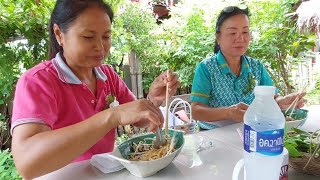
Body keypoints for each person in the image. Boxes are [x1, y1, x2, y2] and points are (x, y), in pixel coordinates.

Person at [10, 0, 180, 179]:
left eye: (106, 37)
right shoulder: (38, 81)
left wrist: (153, 100)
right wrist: (111, 116)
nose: (100, 47)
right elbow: (27, 164)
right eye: (88, 37)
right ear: (59, 34)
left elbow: (138, 119)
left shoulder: (107, 75)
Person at [190, 5, 305, 130]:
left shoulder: (256, 67)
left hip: (252, 131)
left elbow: (271, 99)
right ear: (218, 37)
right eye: (233, 33)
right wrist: (228, 112)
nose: (240, 38)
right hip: (213, 135)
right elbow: (196, 111)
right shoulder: (206, 68)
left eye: (245, 32)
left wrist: (281, 102)